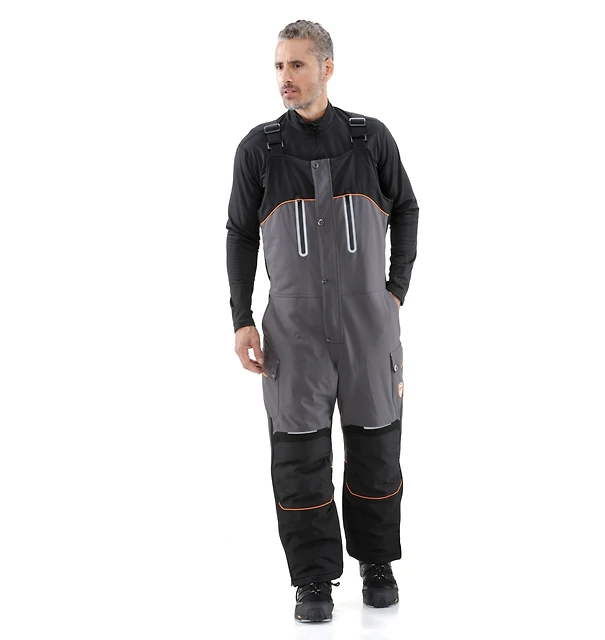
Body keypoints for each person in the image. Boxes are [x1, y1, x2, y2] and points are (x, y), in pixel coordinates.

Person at [225, 19, 419, 623]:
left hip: (368, 329)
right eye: (279, 66)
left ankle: (377, 564)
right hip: (294, 333)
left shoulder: (370, 140)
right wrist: (241, 319)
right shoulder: (259, 150)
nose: (285, 77)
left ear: (327, 68)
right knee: (299, 458)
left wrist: (395, 291)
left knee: (377, 450)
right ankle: (312, 581)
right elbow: (239, 235)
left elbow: (407, 208)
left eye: (297, 65)